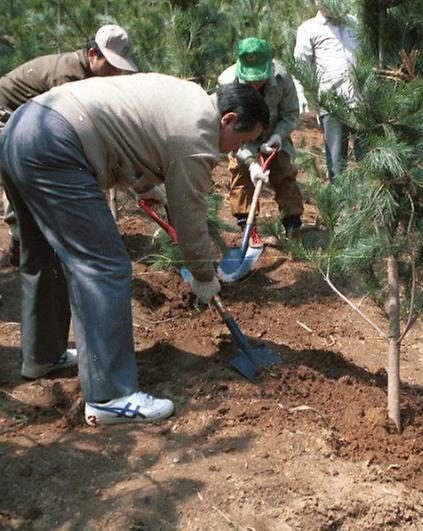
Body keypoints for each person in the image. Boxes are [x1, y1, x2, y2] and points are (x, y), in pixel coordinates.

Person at [0, 74, 270, 425]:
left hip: (23, 128)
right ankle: (110, 397)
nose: (234, 150)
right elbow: (190, 218)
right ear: (228, 119)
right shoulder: (197, 134)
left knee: (45, 254)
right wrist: (204, 275)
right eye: (241, 140)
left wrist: (144, 184)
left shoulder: (190, 97)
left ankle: (43, 355)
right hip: (57, 144)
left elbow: (132, 130)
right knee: (104, 266)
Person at [0, 24, 138, 267]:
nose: (116, 73)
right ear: (92, 54)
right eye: (112, 65)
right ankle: (20, 240)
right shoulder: (68, 78)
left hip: (29, 115)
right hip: (6, 111)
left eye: (120, 67)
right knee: (21, 173)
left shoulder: (91, 75)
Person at [218, 37, 304, 244]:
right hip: (240, 140)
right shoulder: (227, 82)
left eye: (260, 78)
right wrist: (250, 162)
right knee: (241, 177)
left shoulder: (282, 78)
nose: (255, 83)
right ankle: (248, 229)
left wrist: (278, 136)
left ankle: (292, 226)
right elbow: (226, 130)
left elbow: (291, 114)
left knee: (285, 173)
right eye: (250, 79)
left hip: (274, 135)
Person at [294, 0, 359, 179]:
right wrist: (300, 93)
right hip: (332, 106)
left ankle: (371, 206)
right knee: (337, 164)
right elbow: (300, 66)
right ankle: (341, 206)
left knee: (370, 160)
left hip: (362, 102)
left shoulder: (355, 23)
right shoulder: (309, 29)